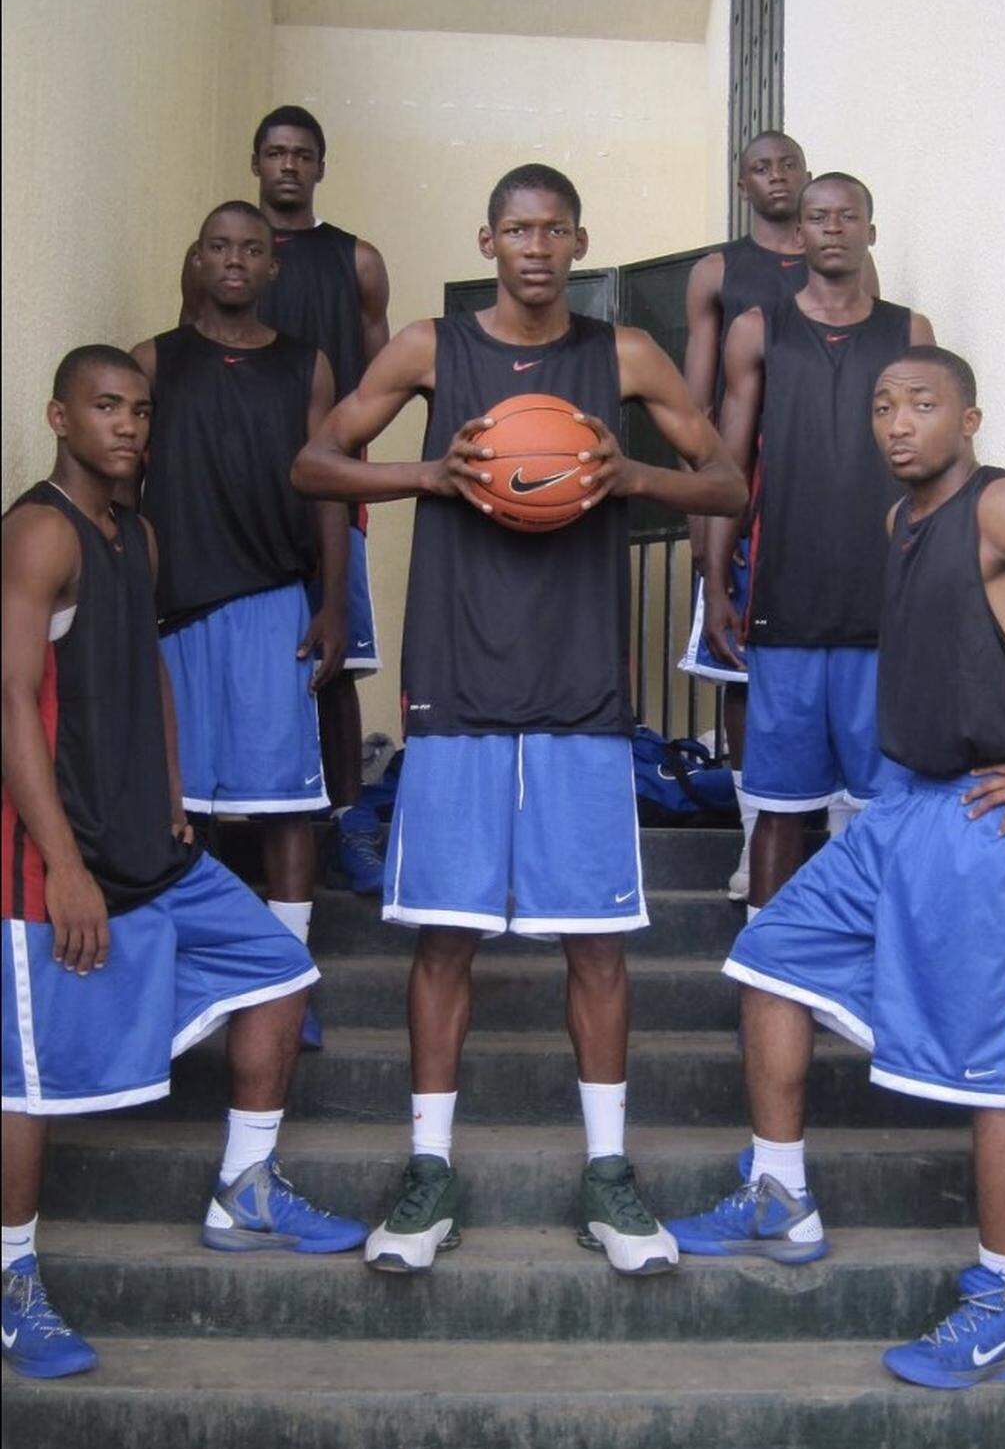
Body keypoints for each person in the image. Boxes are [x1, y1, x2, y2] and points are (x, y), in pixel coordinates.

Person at [291, 163, 748, 1277]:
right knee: (443, 936)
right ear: (486, 239)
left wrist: (630, 469)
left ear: (579, 241)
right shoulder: (426, 349)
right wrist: (430, 474)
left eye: (554, 231)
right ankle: (429, 1168)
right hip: (454, 687)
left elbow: (728, 482)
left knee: (595, 940)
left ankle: (607, 1174)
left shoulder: (622, 356)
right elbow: (313, 461)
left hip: (583, 695)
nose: (536, 248)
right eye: (516, 230)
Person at [667, 346, 1005, 1387]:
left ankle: (1002, 1300)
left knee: (1003, 1077)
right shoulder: (901, 522)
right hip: (905, 808)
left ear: (969, 417)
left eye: (922, 403)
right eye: (884, 404)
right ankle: (780, 1194)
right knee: (771, 957)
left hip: (997, 820)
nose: (897, 422)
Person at [1, 347, 366, 1379]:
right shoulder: (37, 533)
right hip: (49, 856)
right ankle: (13, 1277)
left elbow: (148, 670)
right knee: (24, 1086)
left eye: (139, 410)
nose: (126, 425)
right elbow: (11, 703)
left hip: (149, 845)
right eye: (105, 406)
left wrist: (167, 791)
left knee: (279, 975)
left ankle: (245, 1187)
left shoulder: (139, 535)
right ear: (59, 416)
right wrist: (63, 865)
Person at [136, 200, 349, 1049]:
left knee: (283, 805)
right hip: (177, 606)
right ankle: (201, 969)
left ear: (273, 268)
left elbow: (331, 486)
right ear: (197, 260)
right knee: (184, 804)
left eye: (251, 249)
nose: (234, 260)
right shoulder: (155, 361)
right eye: (218, 246)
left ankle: (287, 975)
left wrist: (335, 602)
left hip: (273, 602)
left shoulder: (308, 365)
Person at [703, 173, 934, 910]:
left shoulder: (909, 332)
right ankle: (767, 978)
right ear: (797, 236)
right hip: (787, 609)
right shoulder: (757, 328)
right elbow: (727, 471)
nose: (834, 228)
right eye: (818, 218)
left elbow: (936, 471)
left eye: (849, 216)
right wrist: (715, 580)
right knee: (781, 809)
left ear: (871, 229)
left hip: (886, 614)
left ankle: (879, 972)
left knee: (888, 813)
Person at [183, 107, 392, 886]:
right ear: (254, 159)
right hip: (231, 504)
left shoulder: (355, 261)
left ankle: (348, 819)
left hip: (325, 495)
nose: (288, 166)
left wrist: (345, 466)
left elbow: (384, 380)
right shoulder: (212, 259)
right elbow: (189, 372)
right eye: (274, 151)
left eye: (303, 154)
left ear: (321, 166)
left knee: (333, 662)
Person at [680, 135, 882, 897]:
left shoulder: (889, 316)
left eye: (788, 165)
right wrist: (708, 549)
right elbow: (703, 419)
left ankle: (844, 882)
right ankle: (752, 854)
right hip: (767, 528)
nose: (778, 178)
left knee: (866, 746)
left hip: (859, 551)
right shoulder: (729, 287)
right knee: (745, 683)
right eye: (762, 167)